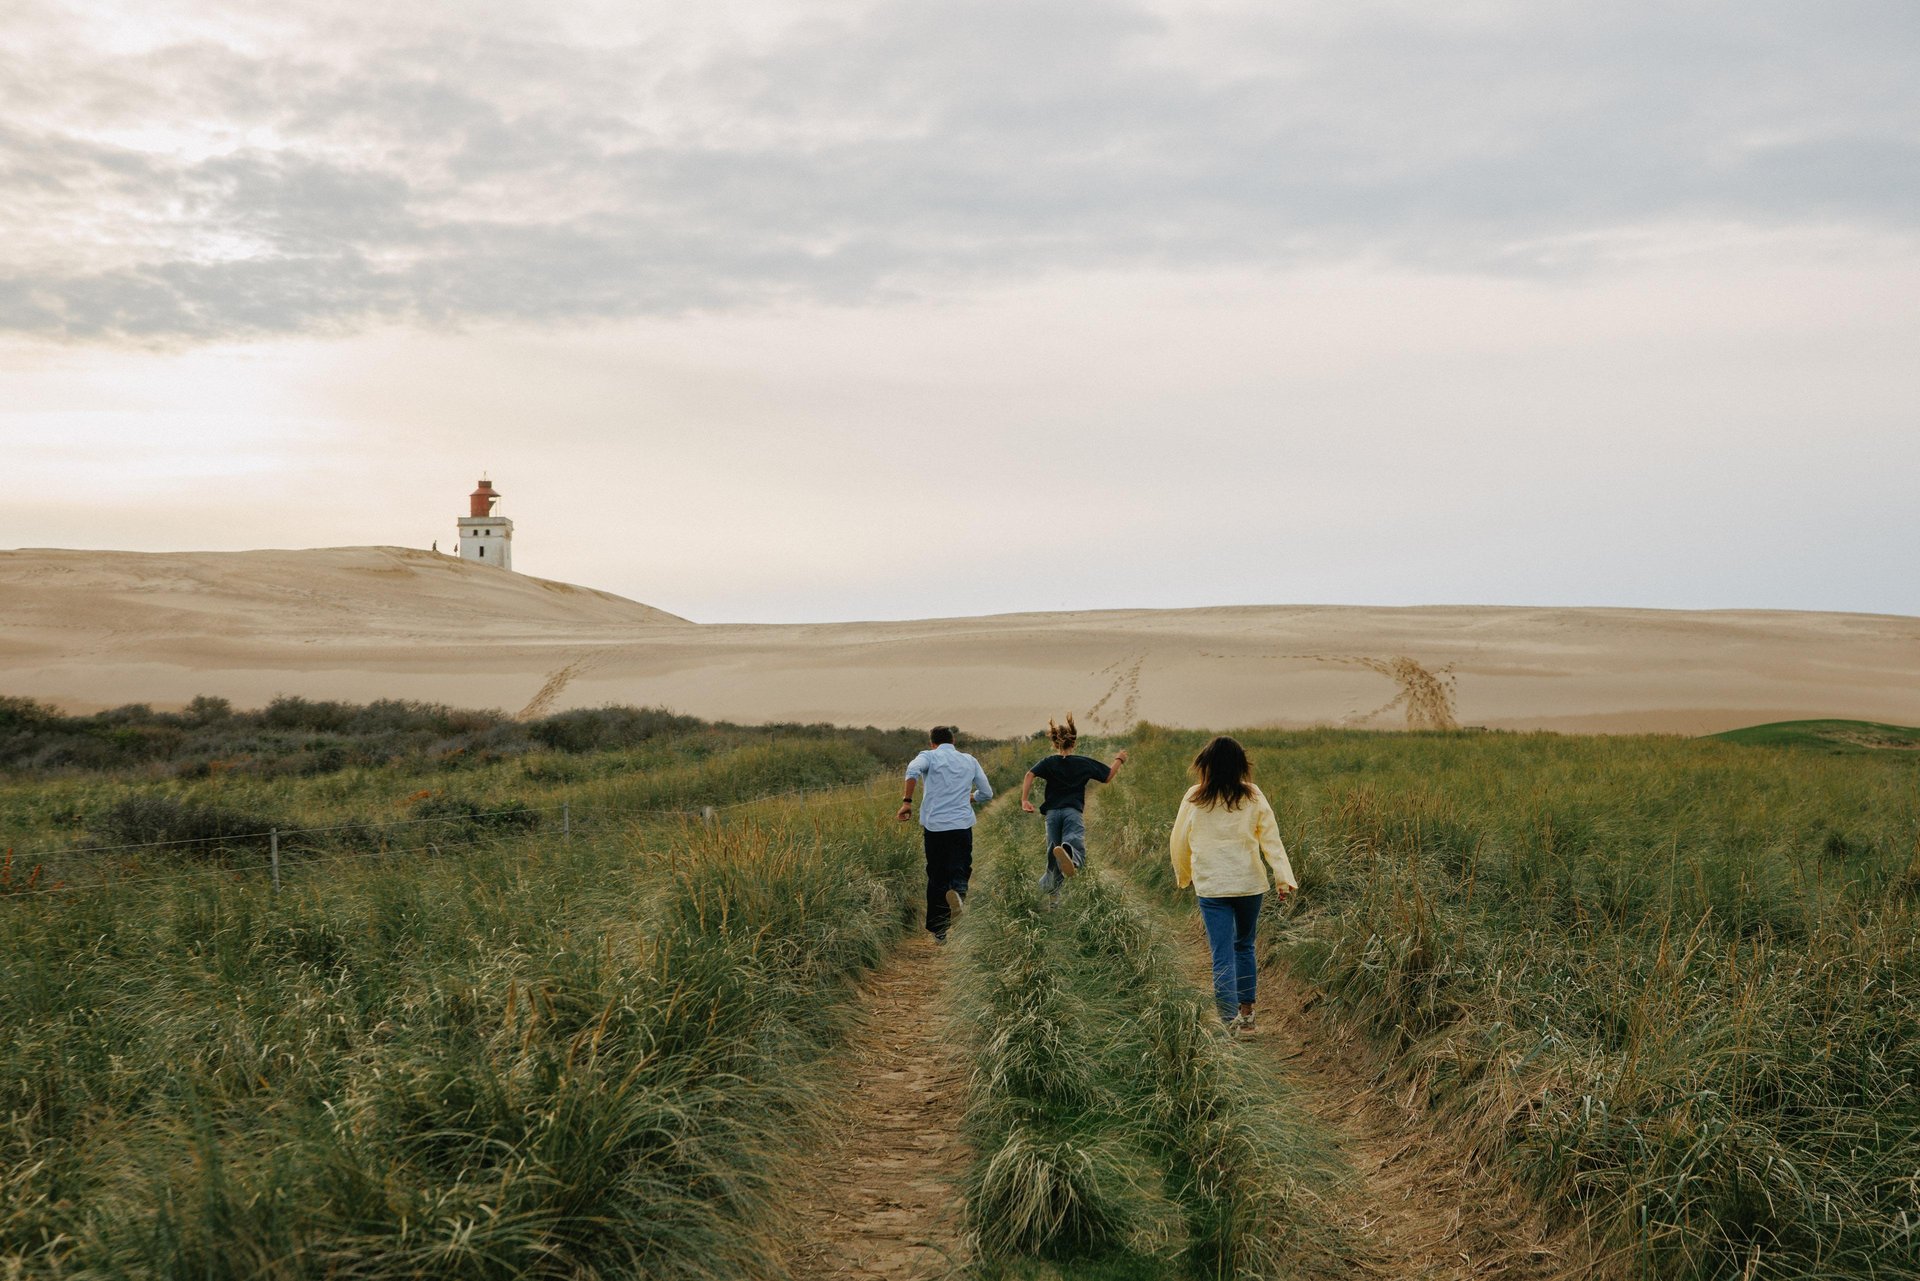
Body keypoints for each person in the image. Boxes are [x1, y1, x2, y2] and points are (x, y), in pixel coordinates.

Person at [1168, 736, 1296, 1033]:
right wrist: (1282, 877)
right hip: (1249, 884)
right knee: (1244, 946)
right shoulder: (1253, 795)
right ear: (1240, 765)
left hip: (1212, 886)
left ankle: (1229, 1022)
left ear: (1206, 766)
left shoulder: (1194, 797)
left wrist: (1183, 875)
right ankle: (1248, 1016)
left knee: (1222, 952)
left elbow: (1178, 840)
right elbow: (1271, 838)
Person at [898, 725, 994, 943]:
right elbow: (987, 793)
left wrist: (907, 802)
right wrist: (971, 798)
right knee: (960, 867)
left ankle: (940, 930)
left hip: (935, 827)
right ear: (954, 741)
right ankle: (958, 894)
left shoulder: (929, 757)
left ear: (932, 743)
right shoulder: (969, 760)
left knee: (937, 874)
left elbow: (912, 771)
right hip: (961, 825)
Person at [1020, 714, 1127, 893]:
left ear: (1055, 743)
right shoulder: (1082, 762)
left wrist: (1024, 800)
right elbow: (1107, 776)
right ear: (1074, 743)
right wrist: (1119, 759)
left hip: (1053, 814)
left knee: (1053, 854)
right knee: (1073, 839)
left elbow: (1029, 774)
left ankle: (1052, 897)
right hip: (1072, 811)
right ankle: (1072, 857)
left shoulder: (1049, 762)